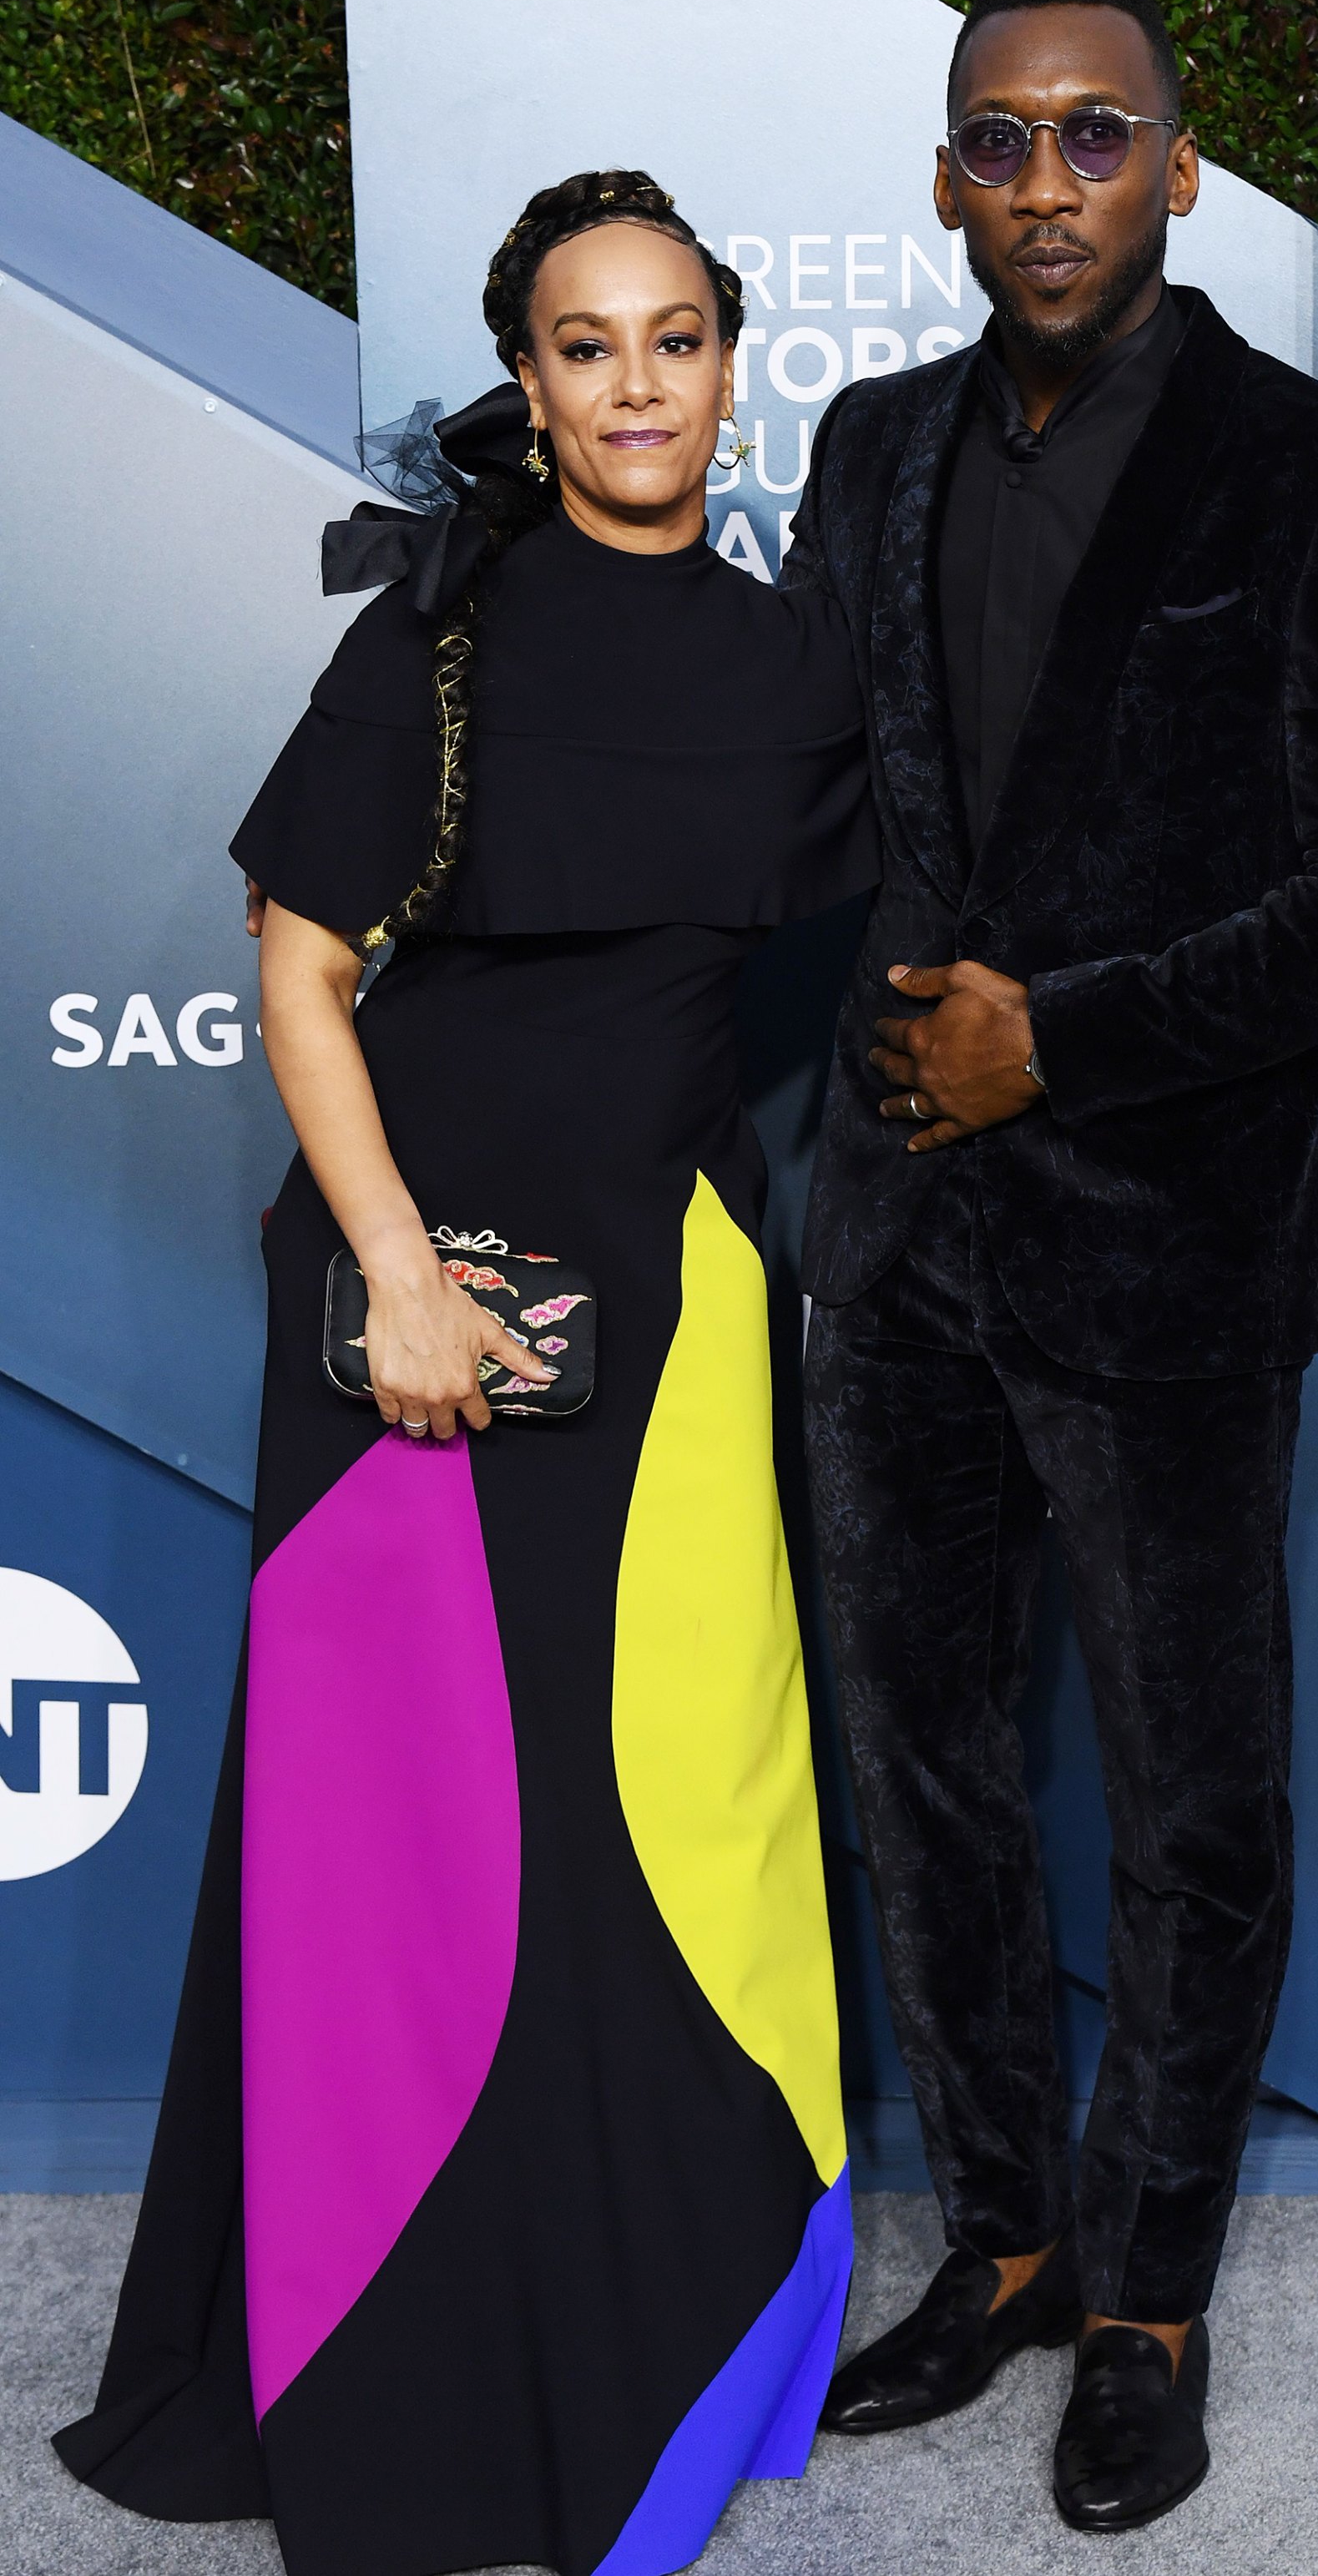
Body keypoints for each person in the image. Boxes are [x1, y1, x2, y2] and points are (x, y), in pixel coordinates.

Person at [54, 170, 878, 2576]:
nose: (636, 386)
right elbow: (300, 972)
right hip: (417, 1301)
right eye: (585, 345)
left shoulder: (794, 662)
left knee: (680, 1834)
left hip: (677, 1288)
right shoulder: (438, 630)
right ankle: (398, 2390)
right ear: (526, 382)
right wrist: (406, 1281)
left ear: (730, 366)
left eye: (675, 339)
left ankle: (655, 2348)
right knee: (410, 1859)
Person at [785, 0, 1318, 2533]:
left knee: (1193, 1802)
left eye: (1099, 135)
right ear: (946, 180)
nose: (1049, 181)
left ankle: (1151, 2298)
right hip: (894, 1240)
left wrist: (1058, 1042)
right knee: (925, 1770)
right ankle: (1003, 2237)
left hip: (1172, 1250)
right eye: (1003, 138)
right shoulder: (870, 447)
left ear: (1181, 171)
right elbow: (798, 792)